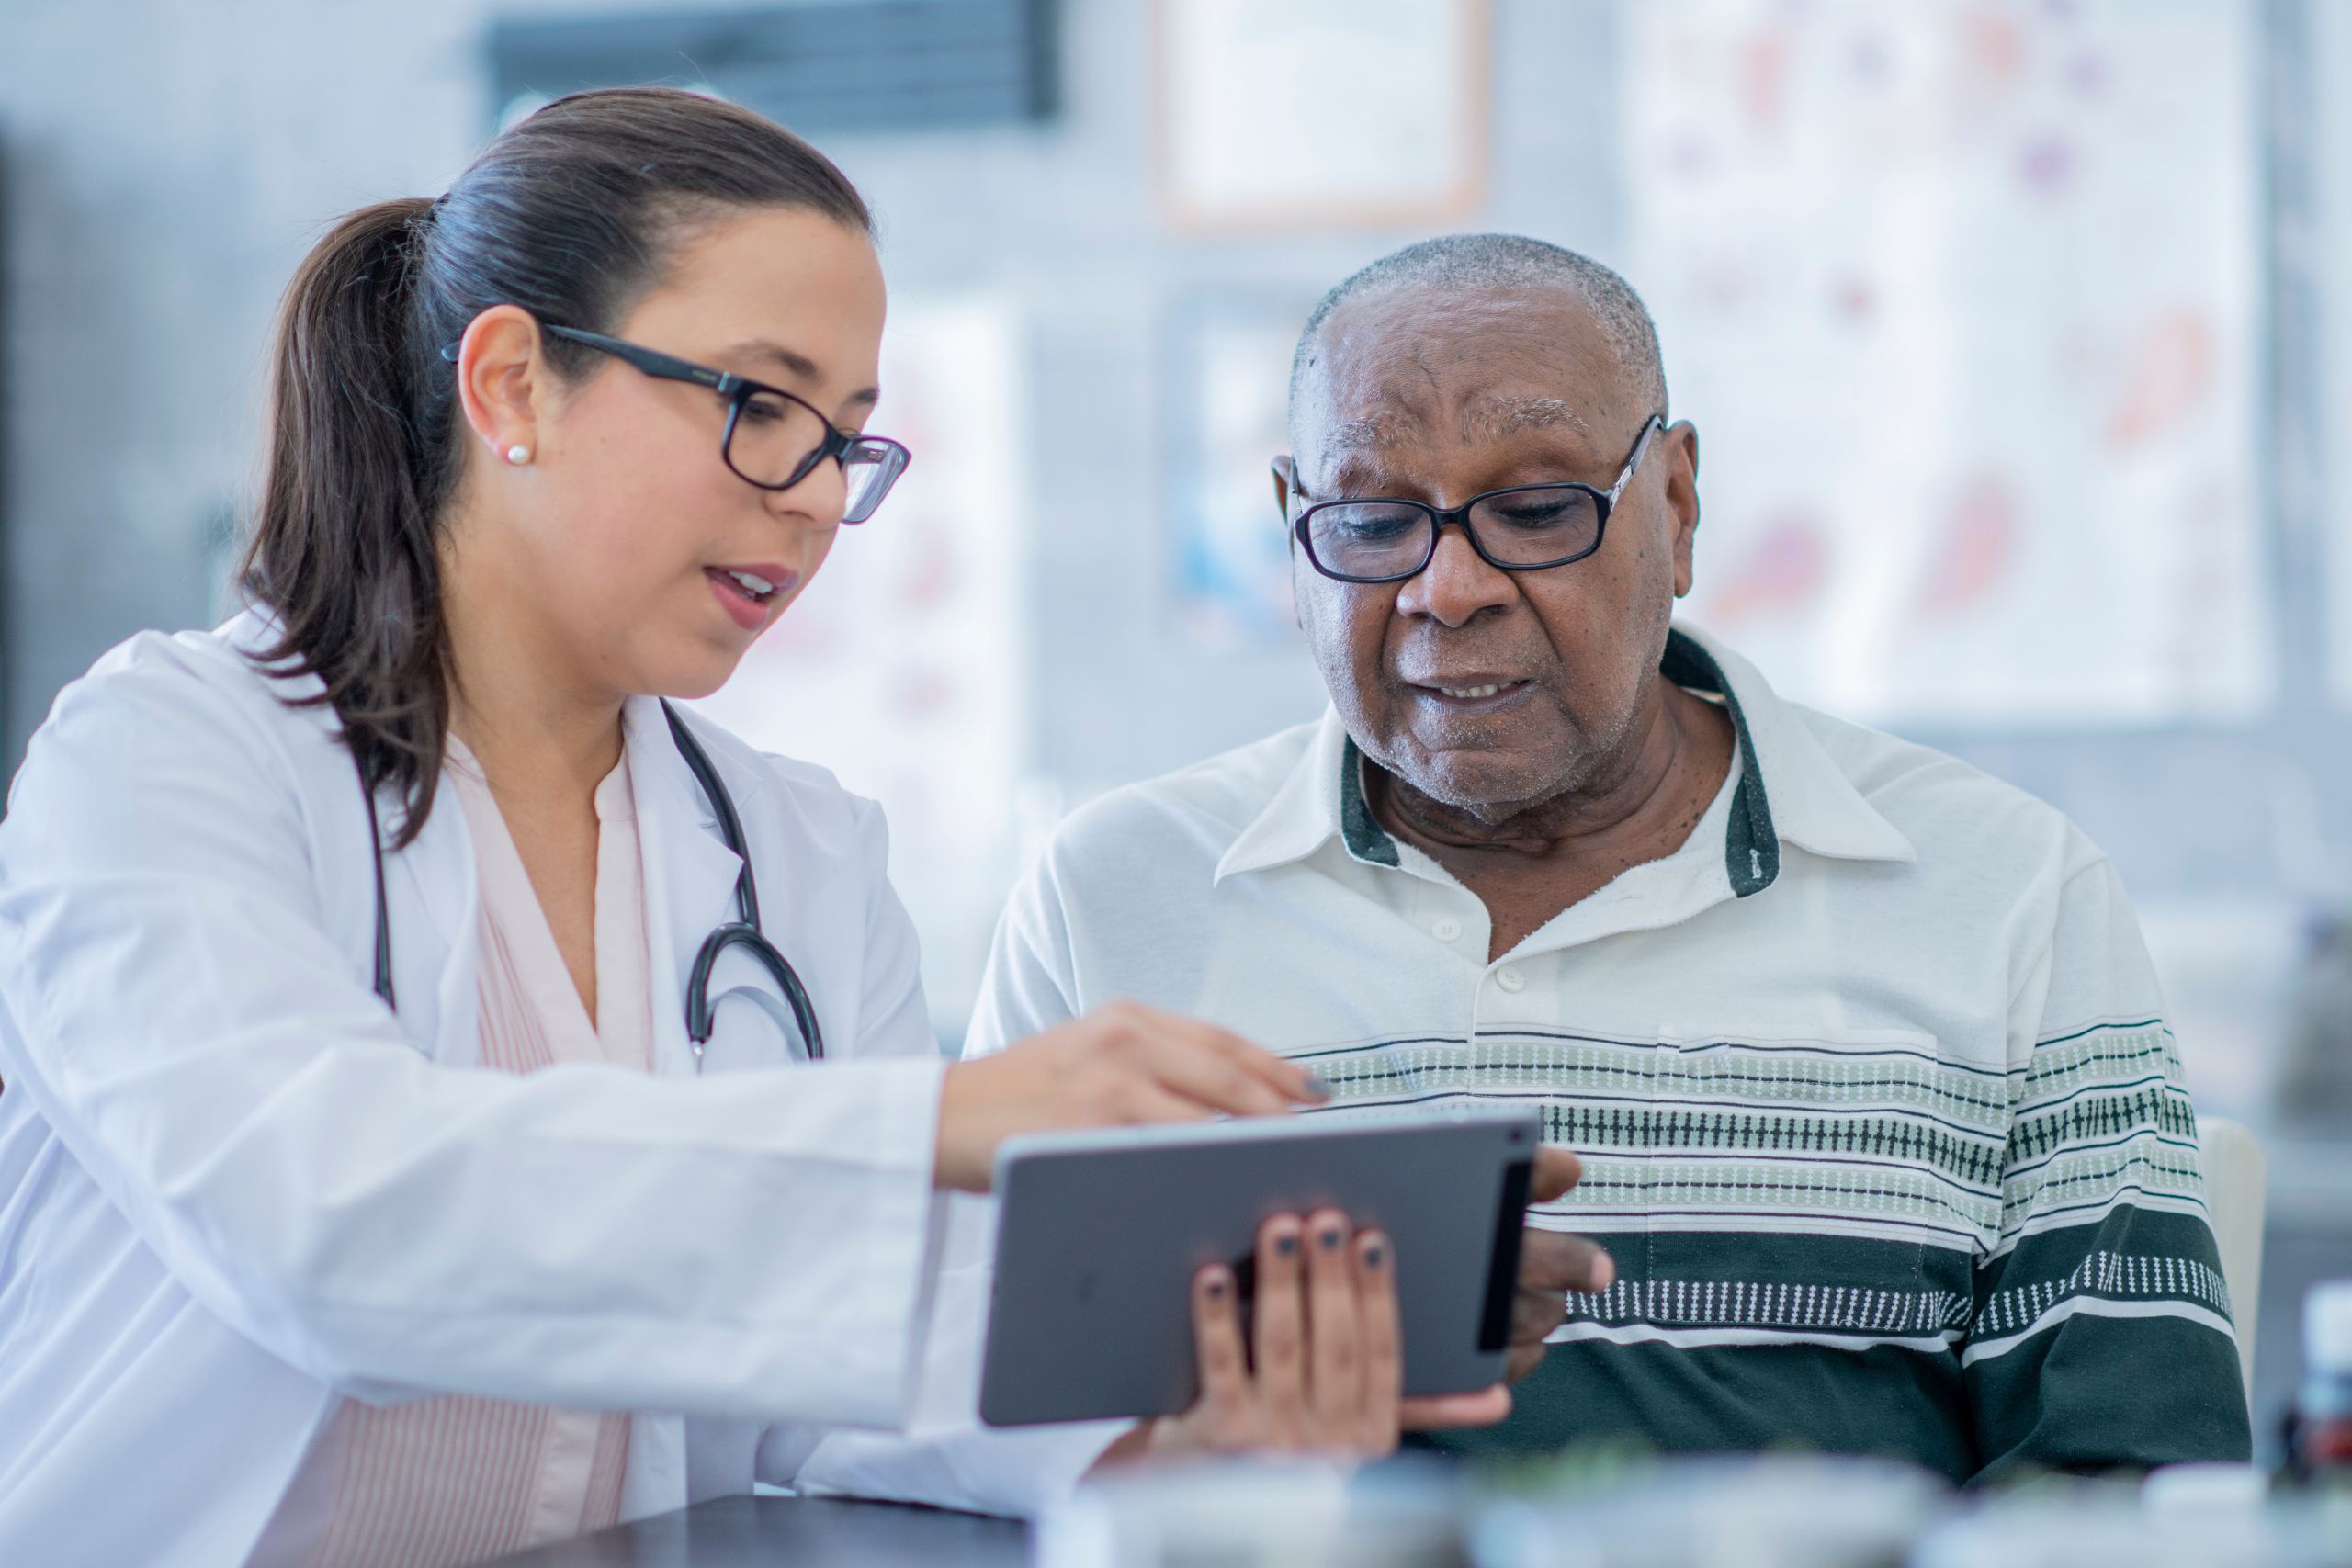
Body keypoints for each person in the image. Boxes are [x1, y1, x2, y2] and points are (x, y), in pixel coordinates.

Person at [0, 92, 1521, 1568]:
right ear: (514, 385)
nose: (810, 500)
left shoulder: (796, 854)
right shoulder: (165, 757)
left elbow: (847, 1380)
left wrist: (1177, 1413)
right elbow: (320, 1224)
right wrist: (923, 1130)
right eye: (759, 407)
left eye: (846, 439)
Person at [819, 233, 2252, 1500]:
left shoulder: (2003, 890)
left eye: (1540, 508)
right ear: (1292, 531)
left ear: (1676, 506)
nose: (1447, 588)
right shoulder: (1115, 895)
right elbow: (941, 1419)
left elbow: (2128, 1483)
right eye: (1372, 521)